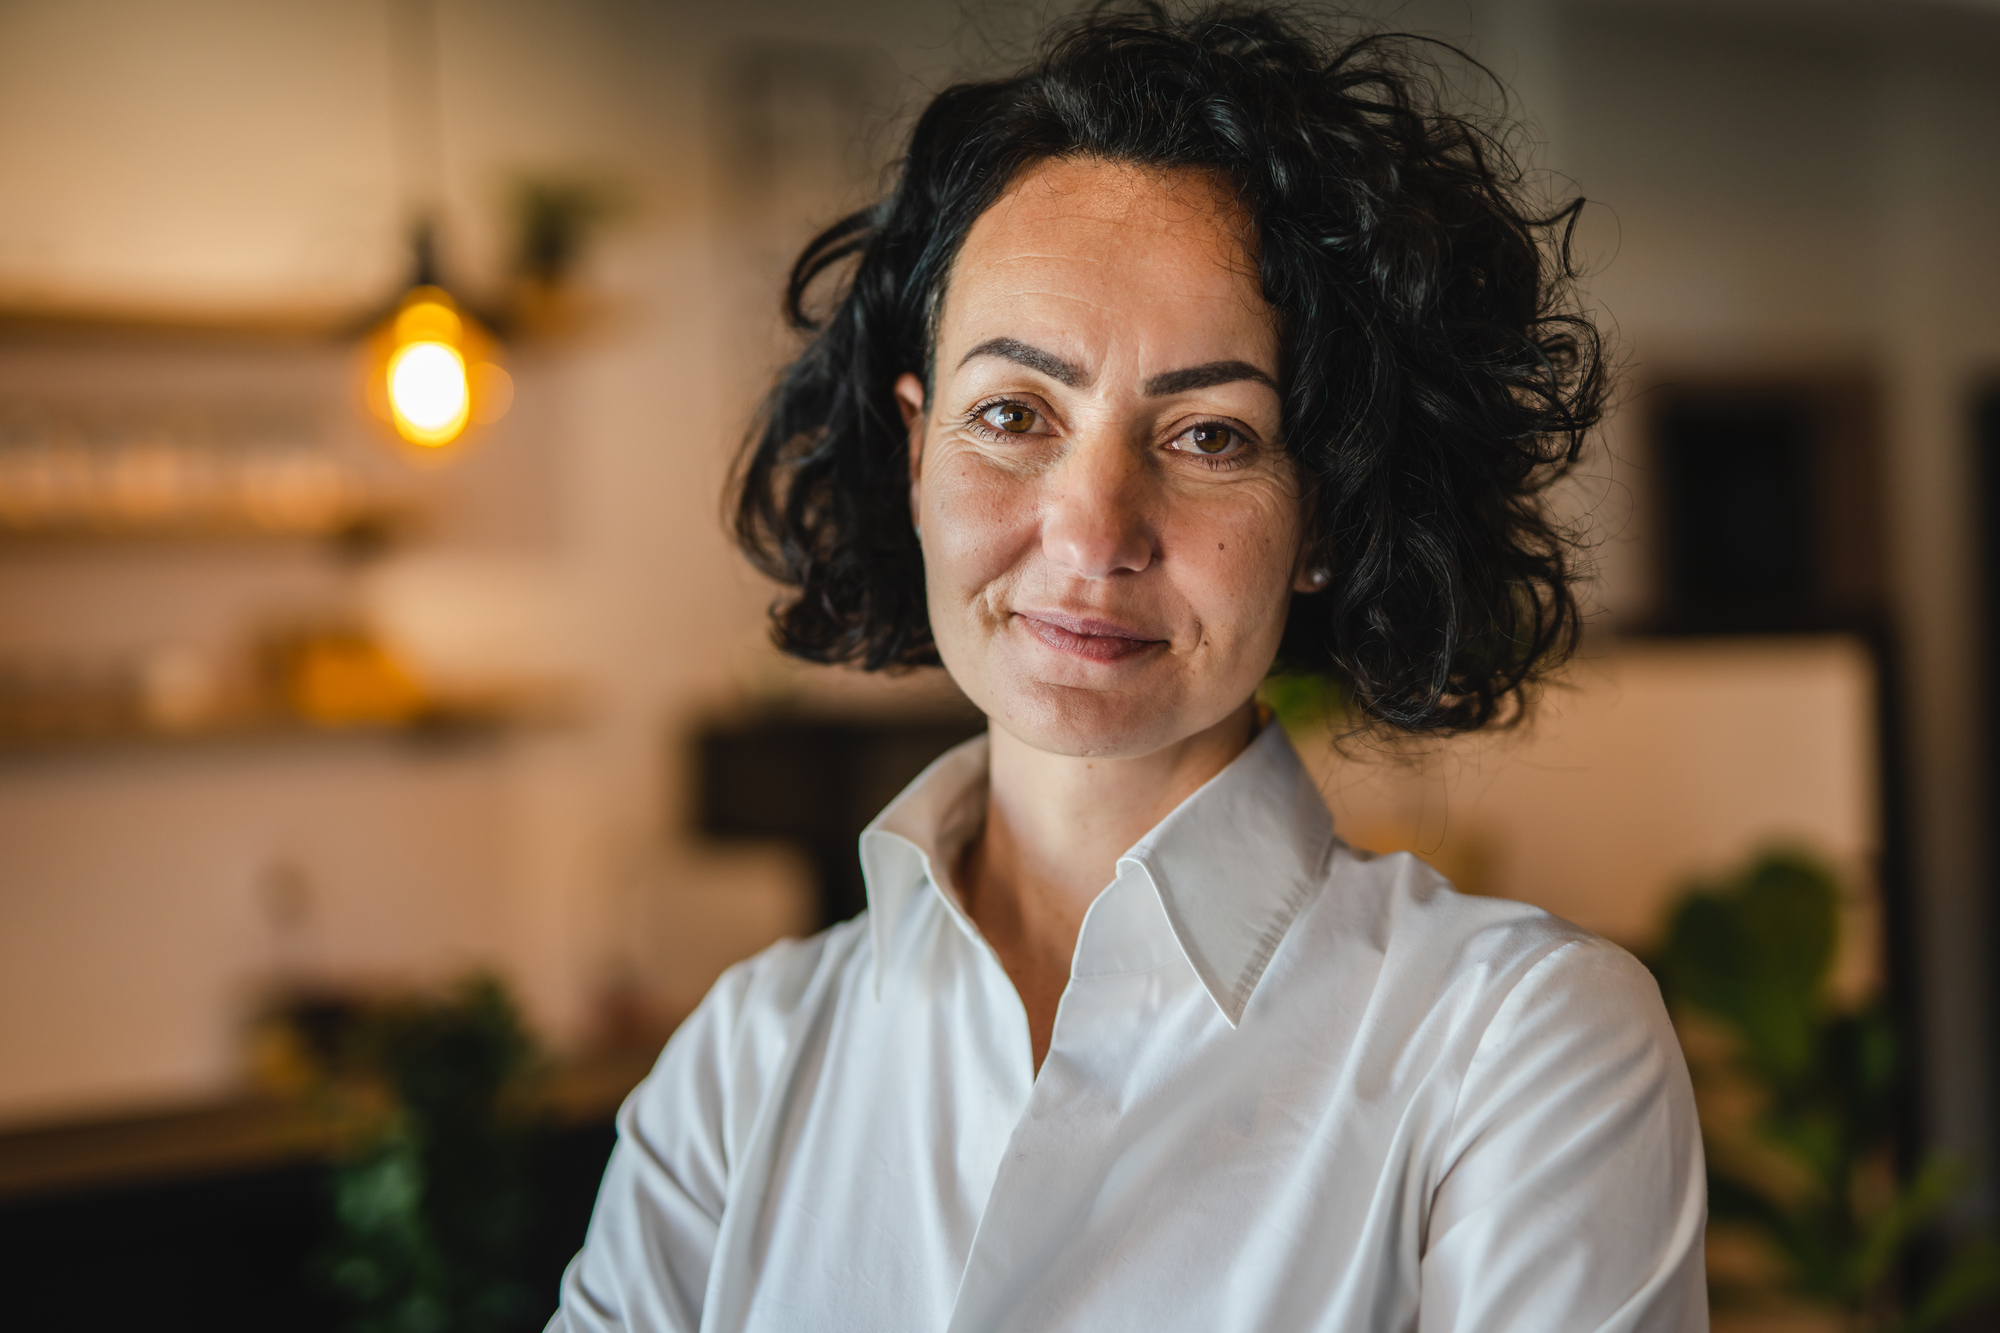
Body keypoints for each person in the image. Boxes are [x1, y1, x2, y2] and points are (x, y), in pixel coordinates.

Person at [550, 6, 1705, 1330]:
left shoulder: (1519, 1045)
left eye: (1211, 433)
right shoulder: (744, 1064)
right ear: (916, 452)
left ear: (1322, 513)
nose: (1094, 532)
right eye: (1012, 414)